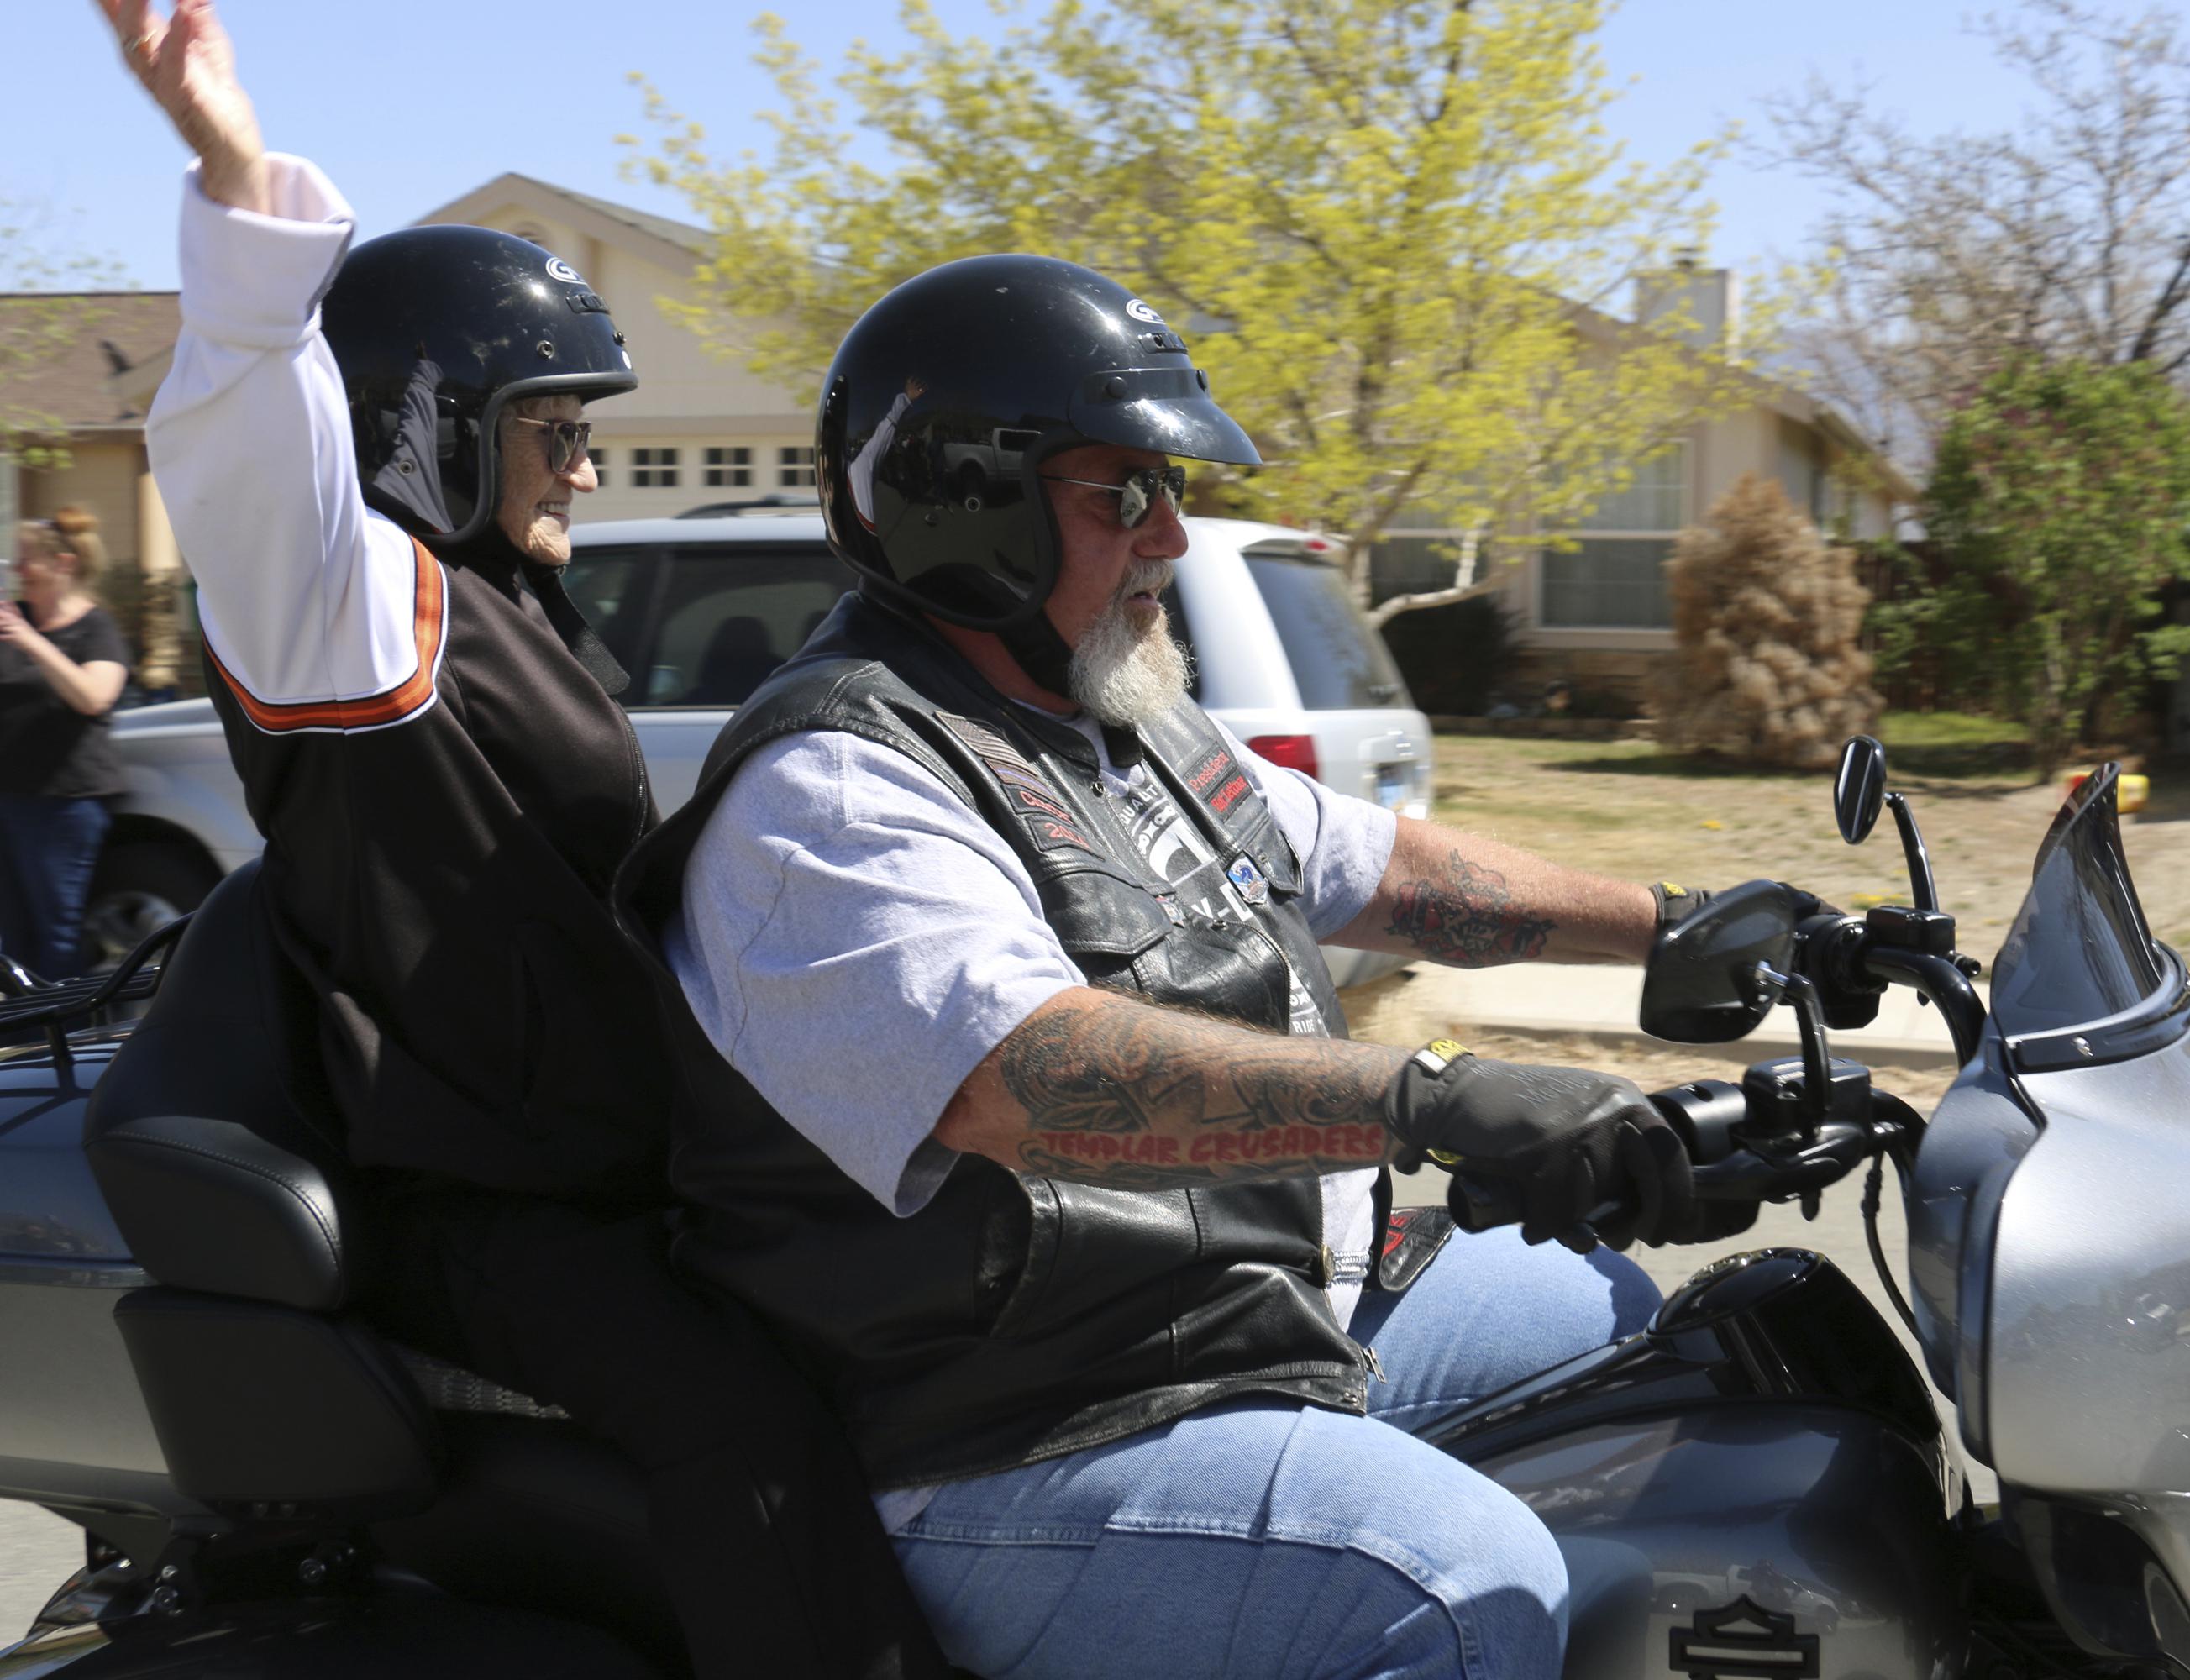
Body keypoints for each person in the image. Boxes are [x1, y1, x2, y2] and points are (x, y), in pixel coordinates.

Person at [615, 254, 1776, 1678]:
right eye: (1123, 493)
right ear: (964, 504)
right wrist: (1432, 1094)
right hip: (1019, 1426)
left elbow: (1380, 870)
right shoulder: (839, 791)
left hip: (1229, 1310)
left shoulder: (1111, 715)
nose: (1170, 534)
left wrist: (1684, 920)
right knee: (1467, 1588)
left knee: (1643, 1330)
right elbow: (1027, 1079)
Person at [102, 3, 945, 1675]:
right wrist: (228, 169)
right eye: (554, 427)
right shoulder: (347, 608)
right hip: (483, 1201)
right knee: (741, 1423)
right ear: (434, 425)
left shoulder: (508, 604)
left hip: (611, 1162)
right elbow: (251, 450)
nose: (583, 457)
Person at [0, 509, 130, 980]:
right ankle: (21, 1043)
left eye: (26, 560)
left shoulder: (95, 629)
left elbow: (94, 697)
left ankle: (66, 1042)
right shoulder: (13, 621)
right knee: (10, 937)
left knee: (57, 934)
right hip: (9, 798)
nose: (17, 571)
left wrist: (32, 642)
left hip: (64, 804)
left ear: (62, 564)